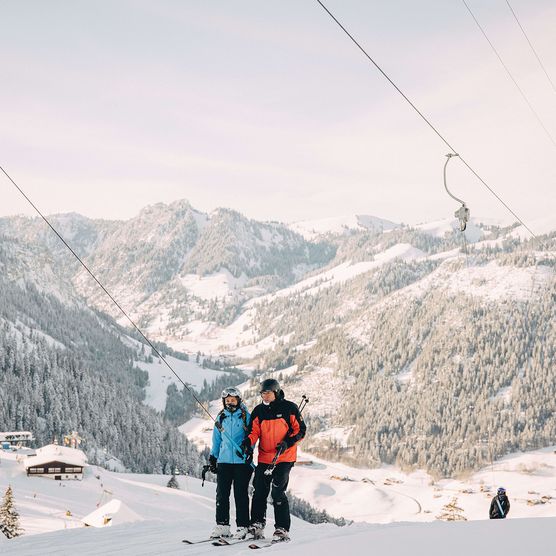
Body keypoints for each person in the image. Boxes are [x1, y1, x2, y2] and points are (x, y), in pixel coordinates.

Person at [241, 378, 306, 543]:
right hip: (264, 457)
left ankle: (282, 528)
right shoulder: (259, 411)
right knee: (259, 491)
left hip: (284, 457)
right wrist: (248, 443)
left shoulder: (289, 408)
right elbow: (254, 432)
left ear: (276, 392)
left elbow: (301, 430)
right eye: (263, 393)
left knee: (277, 491)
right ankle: (257, 524)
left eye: (268, 393)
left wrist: (288, 442)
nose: (265, 396)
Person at [208, 386, 253, 539]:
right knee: (222, 495)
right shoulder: (221, 418)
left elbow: (253, 436)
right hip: (224, 462)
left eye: (233, 400)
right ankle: (222, 525)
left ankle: (243, 526)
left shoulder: (246, 417)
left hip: (242, 462)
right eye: (227, 400)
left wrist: (249, 450)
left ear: (239, 401)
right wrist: (213, 458)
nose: (230, 403)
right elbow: (216, 440)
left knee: (240, 495)